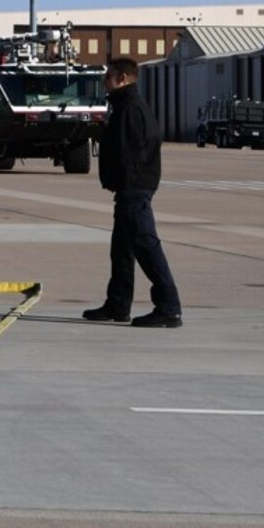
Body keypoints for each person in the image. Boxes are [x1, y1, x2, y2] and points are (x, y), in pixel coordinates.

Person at [86, 57, 182, 328]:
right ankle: (118, 304)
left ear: (122, 79)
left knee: (147, 246)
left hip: (134, 190)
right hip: (130, 189)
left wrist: (125, 185)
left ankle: (169, 307)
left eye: (109, 77)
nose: (105, 81)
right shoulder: (126, 106)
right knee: (121, 250)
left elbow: (131, 153)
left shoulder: (130, 109)